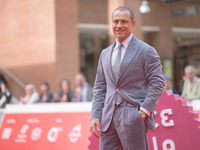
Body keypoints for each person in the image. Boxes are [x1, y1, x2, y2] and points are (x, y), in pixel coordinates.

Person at [90, 6, 165, 150]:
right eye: (115, 21)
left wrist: (144, 111)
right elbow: (100, 87)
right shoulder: (104, 54)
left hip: (133, 117)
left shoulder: (146, 51)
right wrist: (95, 115)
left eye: (124, 22)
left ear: (133, 24)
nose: (119, 25)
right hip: (108, 119)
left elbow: (158, 83)